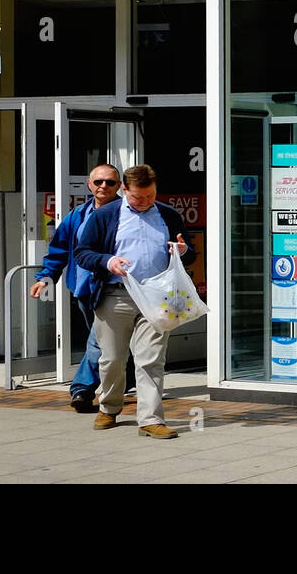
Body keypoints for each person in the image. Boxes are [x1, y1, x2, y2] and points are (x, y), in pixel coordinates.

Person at [74, 163, 193, 438]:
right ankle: (110, 407)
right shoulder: (104, 216)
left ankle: (150, 419)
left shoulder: (168, 215)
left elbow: (188, 252)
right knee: (113, 359)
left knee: (150, 360)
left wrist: (183, 251)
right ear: (125, 190)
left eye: (150, 196)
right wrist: (108, 261)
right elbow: (82, 253)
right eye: (138, 197)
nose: (145, 202)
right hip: (116, 295)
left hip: (157, 298)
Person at [28, 164, 133, 412]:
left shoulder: (128, 214)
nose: (103, 187)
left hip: (117, 289)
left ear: (119, 186)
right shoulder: (78, 216)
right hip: (85, 288)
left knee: (98, 340)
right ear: (89, 184)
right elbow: (59, 250)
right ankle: (124, 377)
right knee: (106, 341)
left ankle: (82, 389)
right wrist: (45, 277)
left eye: (110, 182)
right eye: (98, 182)